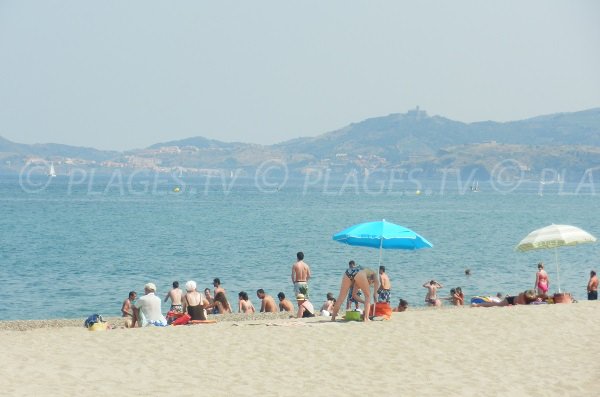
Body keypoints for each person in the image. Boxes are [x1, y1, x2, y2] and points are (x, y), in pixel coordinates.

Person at [472, 290, 543, 307]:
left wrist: (537, 300)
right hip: (510, 300)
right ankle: (478, 305)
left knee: (496, 304)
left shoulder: (532, 298)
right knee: (496, 304)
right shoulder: (523, 295)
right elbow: (519, 304)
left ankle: (478, 304)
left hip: (513, 300)